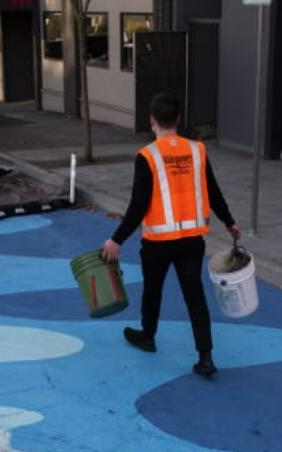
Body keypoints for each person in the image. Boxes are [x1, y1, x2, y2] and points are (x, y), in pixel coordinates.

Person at [101, 91, 241, 378]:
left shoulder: (147, 156)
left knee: (153, 290)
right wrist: (230, 222)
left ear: (151, 120)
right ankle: (205, 356)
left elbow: (138, 205)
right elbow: (213, 191)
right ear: (178, 119)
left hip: (158, 243)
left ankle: (148, 335)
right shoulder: (197, 150)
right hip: (192, 240)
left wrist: (116, 239)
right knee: (195, 296)